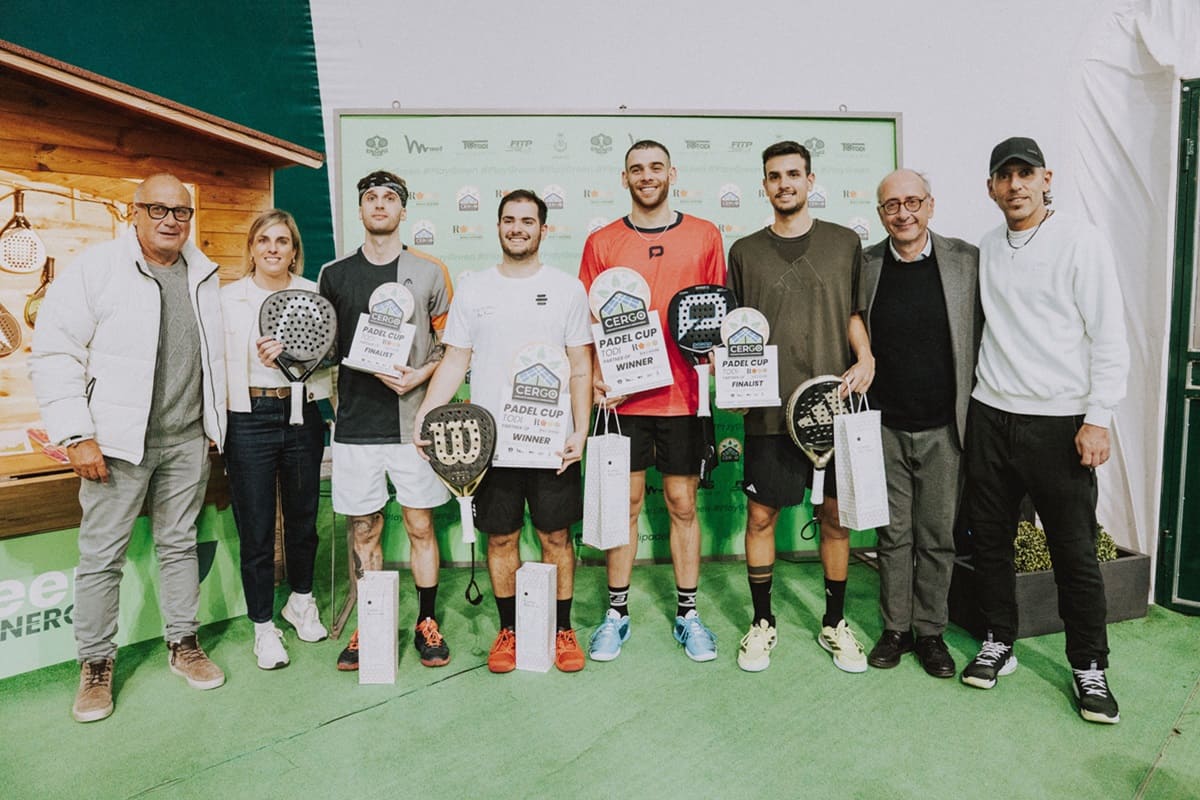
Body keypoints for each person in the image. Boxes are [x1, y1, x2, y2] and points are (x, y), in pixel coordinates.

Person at [30, 174, 227, 722]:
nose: (171, 220)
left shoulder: (202, 274)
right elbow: (54, 353)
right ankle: (95, 664)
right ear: (132, 212)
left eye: (181, 212)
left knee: (179, 545)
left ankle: (183, 644)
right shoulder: (97, 270)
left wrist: (214, 422)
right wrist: (76, 433)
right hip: (114, 446)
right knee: (100, 558)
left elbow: (213, 356)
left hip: (187, 441)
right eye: (158, 209)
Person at [961, 137, 1129, 724]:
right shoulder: (987, 246)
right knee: (989, 541)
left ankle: (1089, 666)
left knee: (1075, 553)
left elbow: (1109, 336)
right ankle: (998, 641)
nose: (1015, 186)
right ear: (990, 188)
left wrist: (1098, 418)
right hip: (990, 415)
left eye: (1024, 174)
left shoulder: (1081, 241)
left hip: (1060, 423)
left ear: (1045, 177)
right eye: (1003, 177)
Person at [415, 190, 593, 673]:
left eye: (527, 221)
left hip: (552, 442)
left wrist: (582, 429)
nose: (518, 228)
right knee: (500, 540)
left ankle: (562, 629)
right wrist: (428, 411)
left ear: (543, 229)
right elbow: (456, 359)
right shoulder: (474, 289)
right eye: (509, 220)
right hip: (492, 446)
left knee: (556, 536)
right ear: (497, 227)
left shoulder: (566, 289)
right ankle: (508, 631)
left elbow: (581, 366)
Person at [726, 141, 875, 673]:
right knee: (761, 516)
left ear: (811, 181)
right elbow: (737, 332)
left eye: (793, 174)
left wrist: (866, 357)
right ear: (763, 186)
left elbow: (855, 314)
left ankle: (835, 622)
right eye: (773, 176)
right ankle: (762, 622)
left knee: (836, 518)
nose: (784, 183)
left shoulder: (843, 243)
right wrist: (737, 389)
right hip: (768, 409)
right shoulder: (743, 251)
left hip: (833, 406)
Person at [578, 140, 726, 663]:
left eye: (656, 167)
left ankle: (688, 614)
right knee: (625, 507)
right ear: (624, 179)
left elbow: (716, 315)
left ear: (672, 173)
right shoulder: (602, 241)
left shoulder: (706, 234)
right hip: (622, 401)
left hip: (683, 399)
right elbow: (588, 326)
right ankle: (615, 614)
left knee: (683, 506)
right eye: (636, 169)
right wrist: (596, 376)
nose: (647, 176)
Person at [314, 170, 453, 671]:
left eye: (389, 198)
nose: (379, 204)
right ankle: (369, 625)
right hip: (355, 427)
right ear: (359, 210)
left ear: (402, 210)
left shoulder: (430, 271)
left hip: (413, 426)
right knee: (365, 530)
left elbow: (451, 347)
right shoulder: (333, 274)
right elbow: (323, 349)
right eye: (370, 197)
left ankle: (426, 621)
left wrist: (419, 376)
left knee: (419, 524)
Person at [861, 170, 981, 678]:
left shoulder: (966, 260)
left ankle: (931, 631)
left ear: (931, 205)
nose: (903, 213)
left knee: (937, 537)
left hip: (944, 429)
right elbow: (850, 318)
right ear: (880, 213)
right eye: (892, 205)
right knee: (893, 537)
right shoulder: (865, 265)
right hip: (884, 426)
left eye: (913, 202)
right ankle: (895, 629)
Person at [221, 210, 331, 670]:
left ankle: (300, 602)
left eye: (282, 241)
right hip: (248, 419)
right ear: (251, 248)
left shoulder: (312, 295)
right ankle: (263, 626)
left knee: (304, 519)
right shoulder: (228, 299)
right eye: (263, 240)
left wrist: (294, 362)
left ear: (294, 249)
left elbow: (330, 361)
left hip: (301, 414)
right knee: (258, 529)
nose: (272, 248)